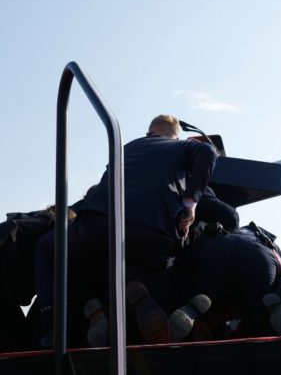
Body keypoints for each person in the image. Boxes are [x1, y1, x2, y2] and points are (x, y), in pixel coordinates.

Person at [33, 114, 219, 346]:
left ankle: (54, 328)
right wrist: (190, 204)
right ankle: (161, 322)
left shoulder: (128, 148)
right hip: (154, 235)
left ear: (149, 133)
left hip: (100, 225)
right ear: (177, 136)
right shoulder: (183, 146)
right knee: (162, 276)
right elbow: (209, 152)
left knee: (49, 248)